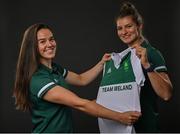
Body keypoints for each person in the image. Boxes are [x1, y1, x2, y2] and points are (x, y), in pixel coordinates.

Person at [13, 23, 141, 133]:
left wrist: (102, 63)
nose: (50, 44)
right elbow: (80, 104)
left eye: (51, 39)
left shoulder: (55, 69)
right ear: (33, 47)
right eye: (42, 42)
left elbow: (81, 79)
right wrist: (119, 117)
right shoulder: (38, 80)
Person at [96, 1, 173, 133]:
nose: (124, 32)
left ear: (139, 26)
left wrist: (147, 65)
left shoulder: (151, 53)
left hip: (146, 128)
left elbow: (166, 94)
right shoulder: (120, 60)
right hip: (122, 129)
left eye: (129, 26)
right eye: (120, 28)